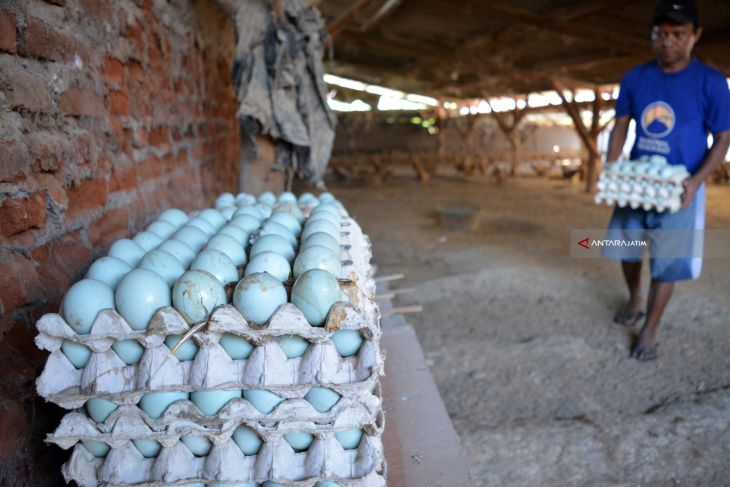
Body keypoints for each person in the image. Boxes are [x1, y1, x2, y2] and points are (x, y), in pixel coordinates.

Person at [604, 0, 730, 361]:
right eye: (661, 33)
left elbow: (723, 139)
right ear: (652, 35)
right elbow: (621, 125)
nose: (668, 41)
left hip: (680, 190)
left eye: (678, 34)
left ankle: (650, 329)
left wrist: (697, 181)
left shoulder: (711, 82)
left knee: (668, 261)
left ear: (695, 36)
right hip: (637, 184)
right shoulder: (636, 77)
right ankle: (635, 297)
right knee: (626, 250)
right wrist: (613, 168)